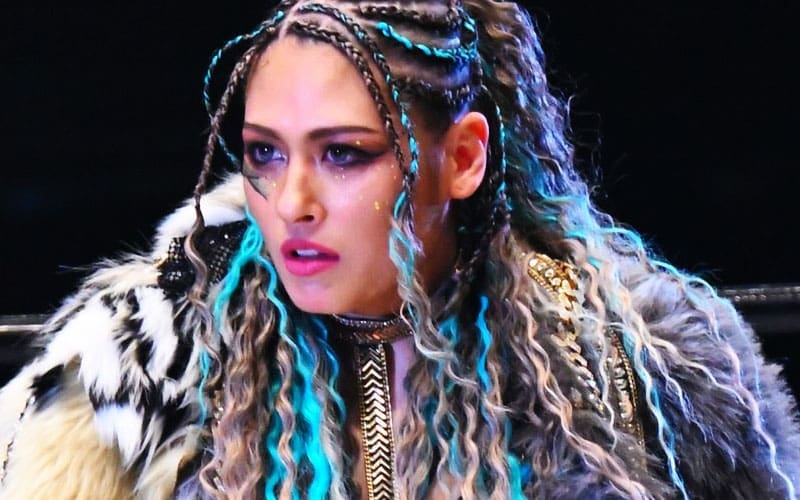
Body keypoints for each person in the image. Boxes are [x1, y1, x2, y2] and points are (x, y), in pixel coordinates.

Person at [1, 1, 798, 498]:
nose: (291, 202)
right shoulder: (144, 365)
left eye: (344, 154)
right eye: (263, 153)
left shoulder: (634, 356)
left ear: (463, 158)